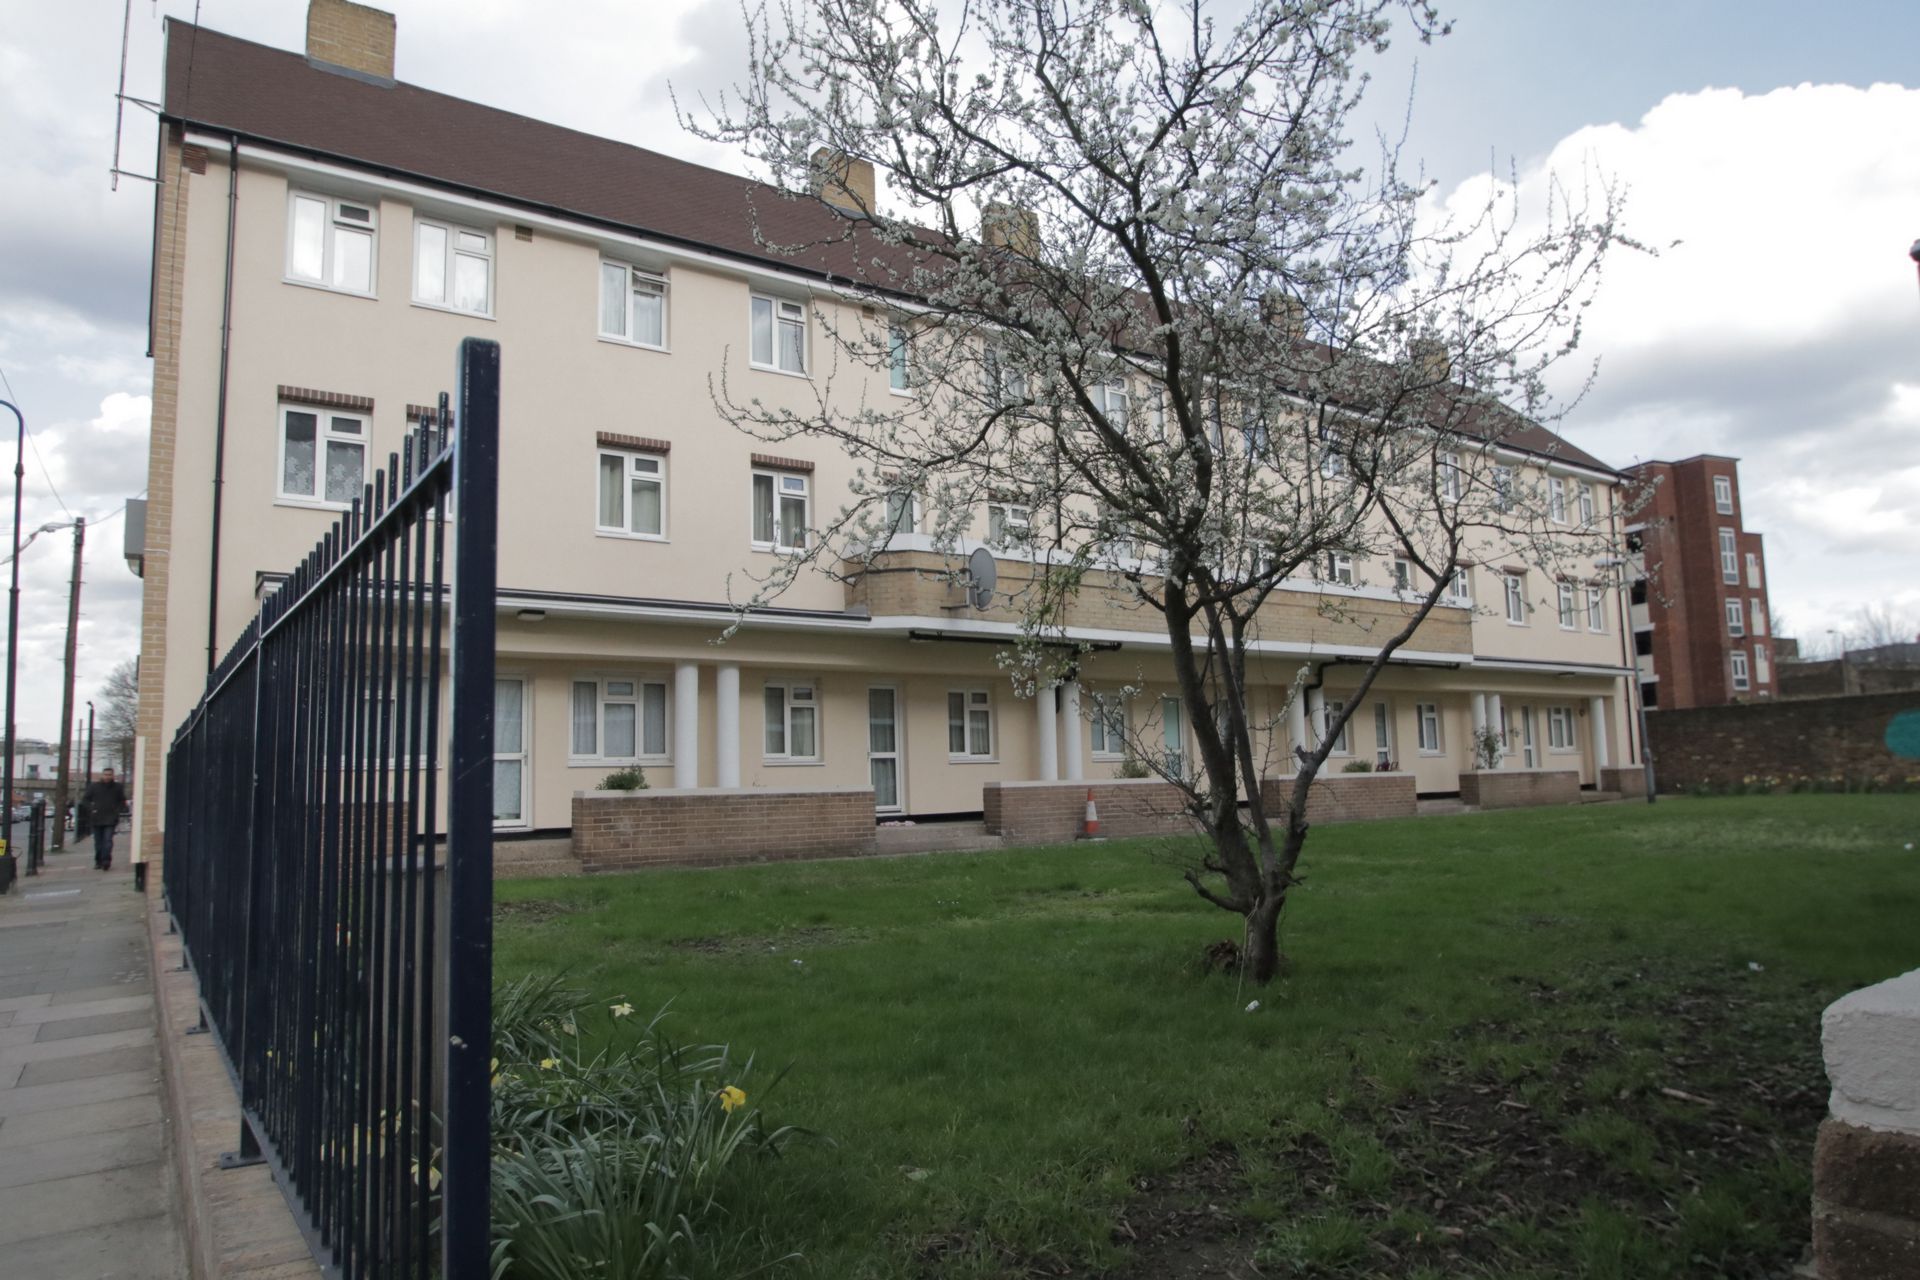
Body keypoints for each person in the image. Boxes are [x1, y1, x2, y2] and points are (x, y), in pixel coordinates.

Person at [81, 767, 128, 871]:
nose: (107, 777)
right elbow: (85, 800)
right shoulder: (94, 787)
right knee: (98, 842)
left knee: (108, 840)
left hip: (111, 818)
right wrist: (92, 808)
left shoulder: (117, 787)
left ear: (113, 776)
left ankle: (106, 860)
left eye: (109, 775)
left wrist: (117, 811)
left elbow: (122, 801)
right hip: (97, 818)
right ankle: (98, 861)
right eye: (105, 774)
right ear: (102, 775)